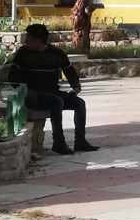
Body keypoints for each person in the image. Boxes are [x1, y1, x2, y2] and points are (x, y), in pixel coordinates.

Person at [5, 23, 95, 156]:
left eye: (29, 39)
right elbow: (12, 77)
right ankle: (58, 143)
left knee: (79, 103)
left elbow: (68, 70)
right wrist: (23, 90)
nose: (26, 42)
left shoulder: (56, 53)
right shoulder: (23, 54)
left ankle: (80, 141)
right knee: (56, 101)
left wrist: (76, 86)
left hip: (52, 92)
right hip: (32, 94)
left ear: (38, 41)